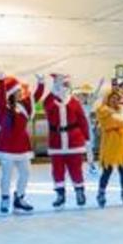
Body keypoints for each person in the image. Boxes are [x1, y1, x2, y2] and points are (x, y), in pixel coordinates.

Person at [35, 73, 90, 208]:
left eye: (67, 84)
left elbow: (82, 121)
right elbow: (47, 106)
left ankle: (79, 191)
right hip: (57, 142)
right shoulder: (50, 101)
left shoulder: (74, 101)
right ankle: (60, 194)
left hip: (74, 141)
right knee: (57, 170)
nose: (65, 87)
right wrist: (53, 89)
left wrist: (87, 138)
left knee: (76, 169)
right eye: (62, 84)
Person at [0, 73, 36, 214]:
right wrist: (1, 81)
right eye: (17, 90)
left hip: (22, 146)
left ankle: (19, 199)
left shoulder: (22, 106)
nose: (20, 92)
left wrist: (41, 83)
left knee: (25, 173)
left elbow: (36, 96)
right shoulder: (3, 108)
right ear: (10, 93)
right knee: (6, 175)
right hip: (7, 147)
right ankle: (5, 199)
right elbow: (1, 98)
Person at [95, 87, 123, 208]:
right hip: (110, 142)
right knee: (107, 169)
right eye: (112, 98)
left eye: (117, 99)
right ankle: (101, 193)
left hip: (122, 142)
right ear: (108, 99)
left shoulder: (121, 110)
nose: (115, 100)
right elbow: (111, 122)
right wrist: (117, 120)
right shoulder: (103, 110)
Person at [74, 78, 105, 176]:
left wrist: (100, 84)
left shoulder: (89, 104)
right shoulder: (75, 103)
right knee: (76, 148)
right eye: (83, 95)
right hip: (76, 128)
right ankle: (74, 166)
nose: (84, 97)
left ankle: (91, 165)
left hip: (86, 128)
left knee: (89, 148)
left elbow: (95, 95)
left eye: (86, 95)